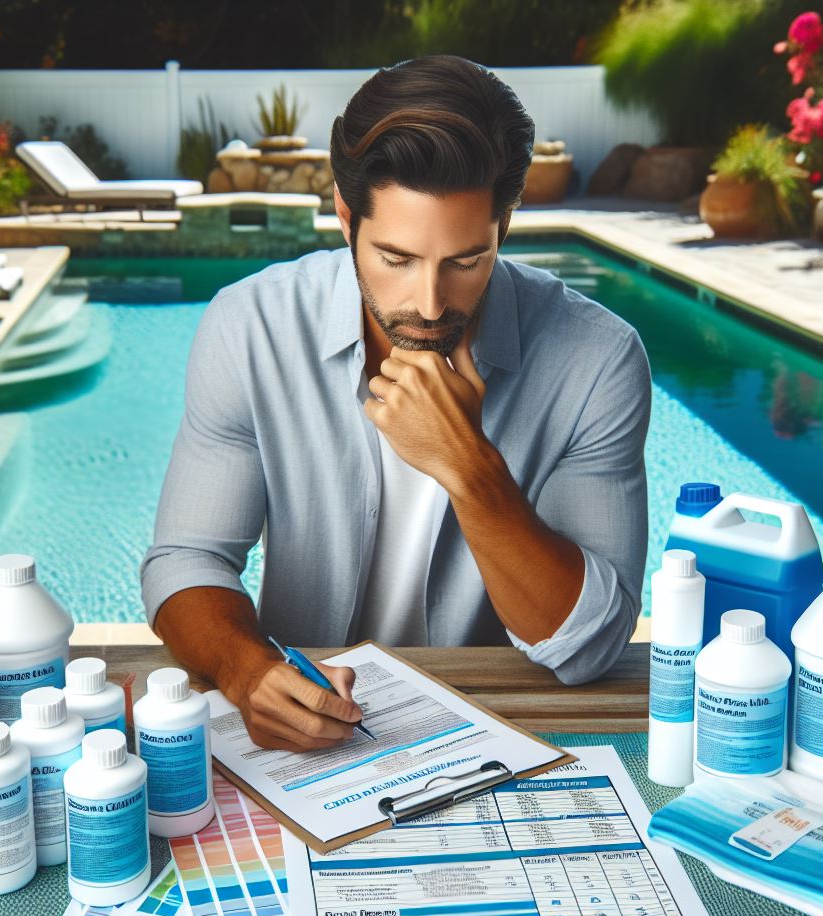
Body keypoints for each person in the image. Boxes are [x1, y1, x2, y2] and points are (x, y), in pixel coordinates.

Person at [141, 55, 651, 754]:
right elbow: (186, 561)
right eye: (396, 258)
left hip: (495, 732)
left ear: (507, 221)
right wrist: (246, 669)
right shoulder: (250, 327)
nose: (430, 302)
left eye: (466, 261)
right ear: (346, 217)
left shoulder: (597, 360)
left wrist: (467, 464)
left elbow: (590, 646)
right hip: (306, 749)